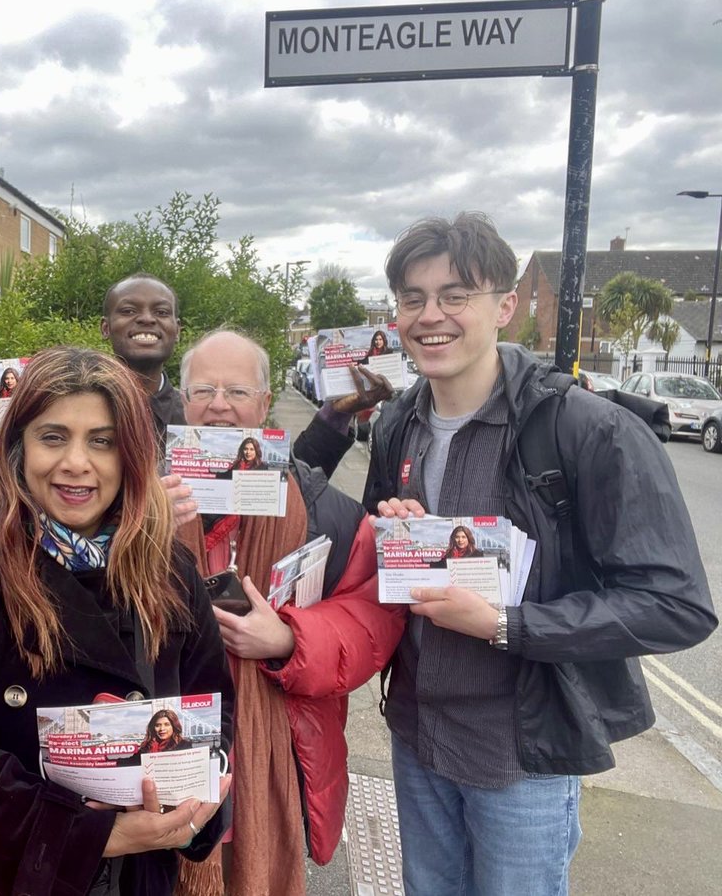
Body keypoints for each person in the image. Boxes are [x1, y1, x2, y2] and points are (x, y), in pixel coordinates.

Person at [366, 212, 716, 896]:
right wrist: (397, 530)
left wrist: (506, 624)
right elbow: (389, 569)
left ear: (506, 305)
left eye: (454, 295)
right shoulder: (396, 424)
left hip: (522, 754)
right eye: (413, 298)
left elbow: (676, 606)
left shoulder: (586, 429)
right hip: (416, 736)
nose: (430, 315)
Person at [0, 346, 234, 896]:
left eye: (103, 441)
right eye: (52, 437)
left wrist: (191, 810)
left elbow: (212, 709)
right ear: (18, 446)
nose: (76, 463)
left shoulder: (168, 566)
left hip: (137, 874)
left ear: (133, 454)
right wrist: (92, 833)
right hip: (6, 871)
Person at [175, 330, 404, 896]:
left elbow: (373, 617)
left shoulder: (322, 505)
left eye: (237, 390)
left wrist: (289, 639)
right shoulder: (135, 498)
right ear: (182, 401)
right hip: (167, 754)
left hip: (270, 748)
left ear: (267, 398)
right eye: (203, 389)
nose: (219, 404)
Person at [100, 273, 184, 444]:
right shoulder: (78, 408)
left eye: (161, 312)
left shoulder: (196, 417)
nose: (147, 319)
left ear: (177, 331)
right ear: (106, 328)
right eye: (129, 311)